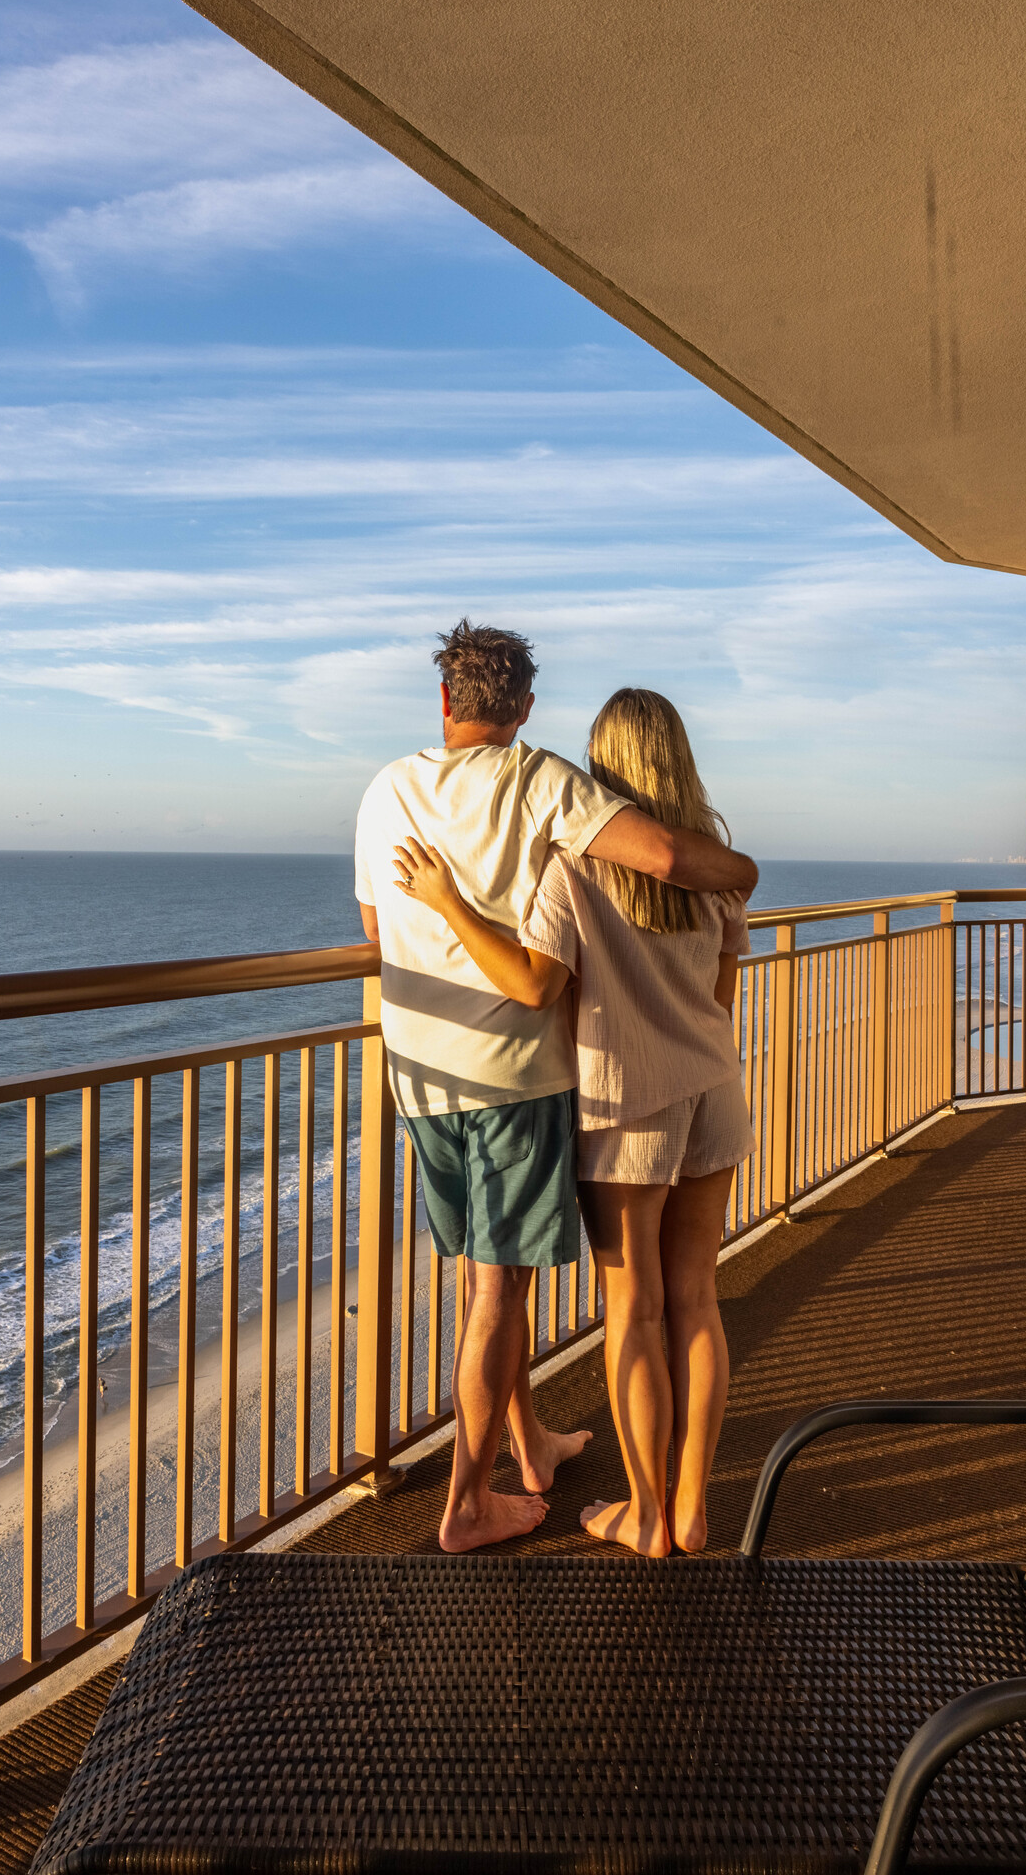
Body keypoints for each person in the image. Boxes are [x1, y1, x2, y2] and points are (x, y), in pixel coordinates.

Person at [357, 625, 757, 1553]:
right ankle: (687, 1511)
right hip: (710, 1085)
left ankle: (649, 1518)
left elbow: (529, 978)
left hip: (611, 1099)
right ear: (525, 709)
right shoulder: (711, 860)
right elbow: (721, 987)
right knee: (697, 1297)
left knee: (634, 1309)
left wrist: (452, 903)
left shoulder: (568, 865)